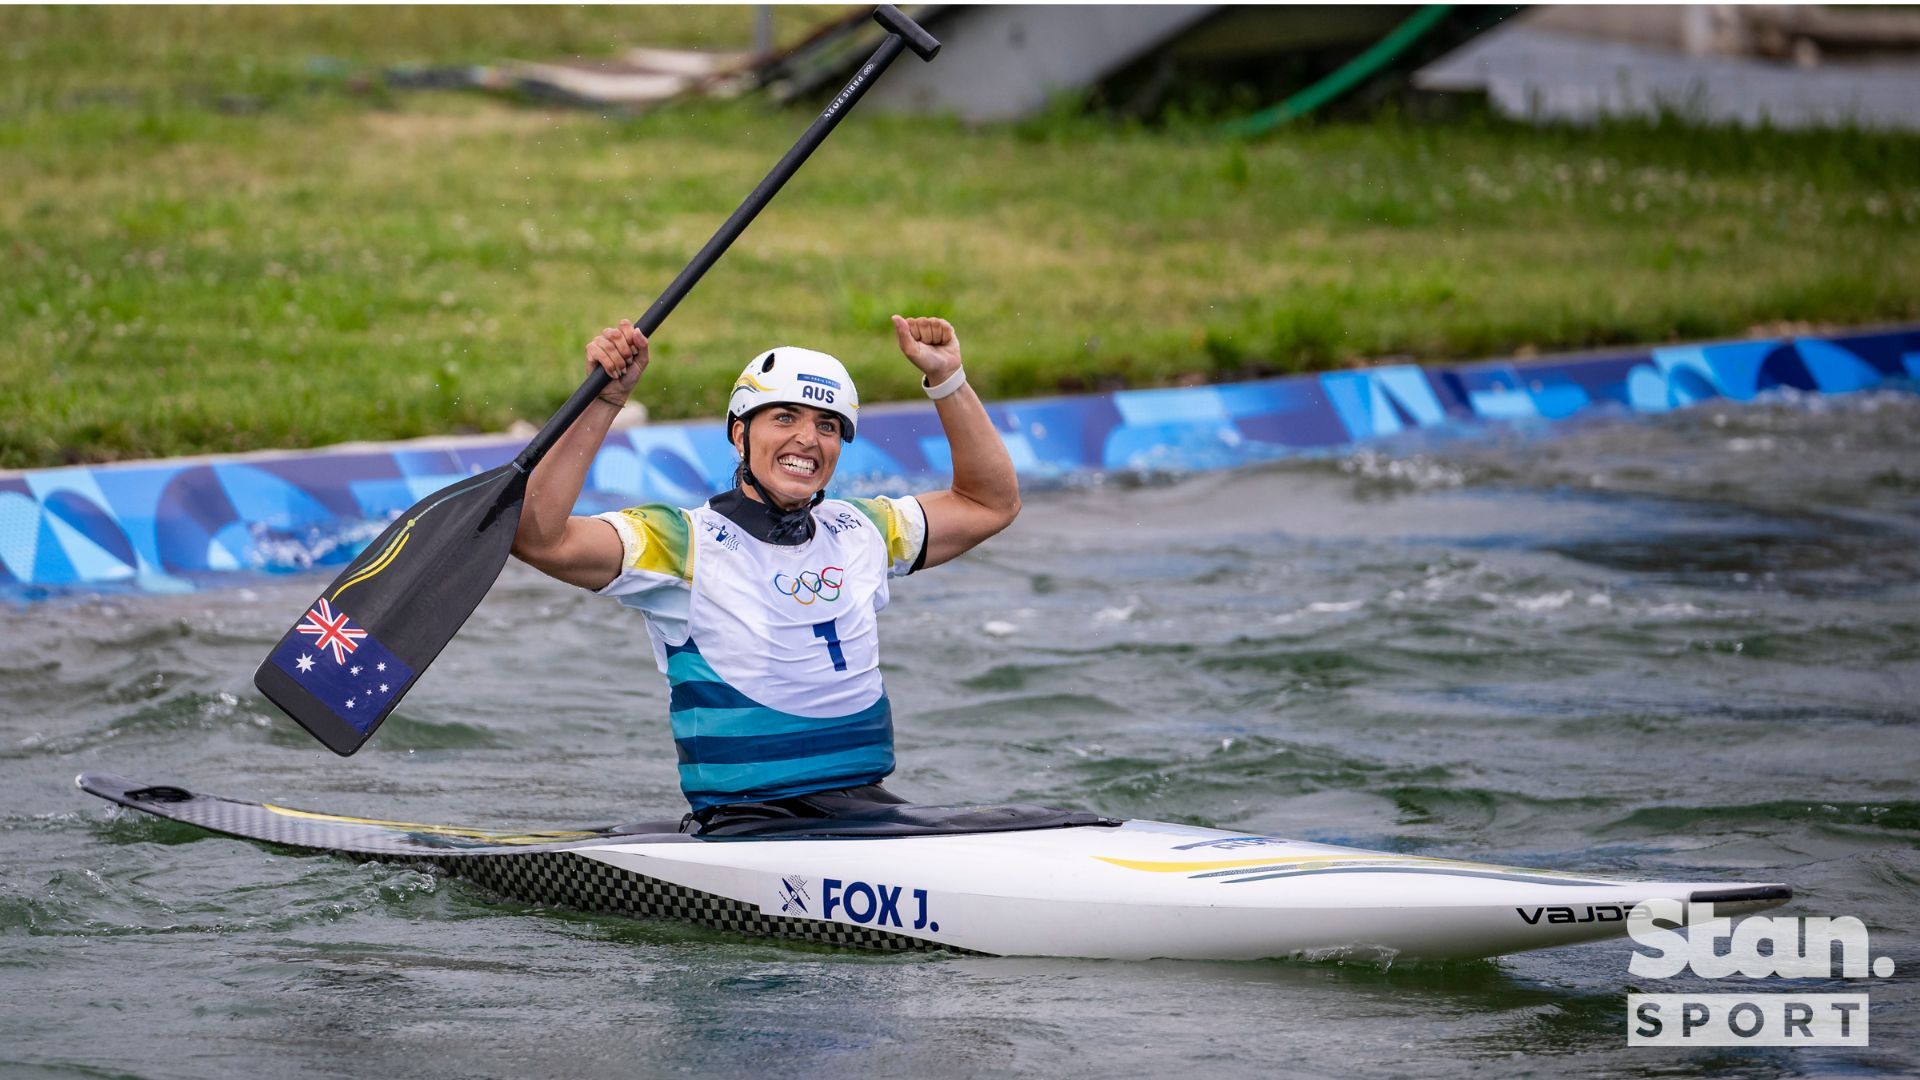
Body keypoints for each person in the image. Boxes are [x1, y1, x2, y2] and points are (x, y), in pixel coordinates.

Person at [511, 314, 1020, 831]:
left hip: (867, 810)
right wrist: (604, 401)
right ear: (740, 433)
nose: (807, 439)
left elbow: (988, 503)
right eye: (784, 418)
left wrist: (948, 380)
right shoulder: (680, 543)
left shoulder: (862, 529)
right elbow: (539, 537)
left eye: (827, 426)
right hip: (747, 823)